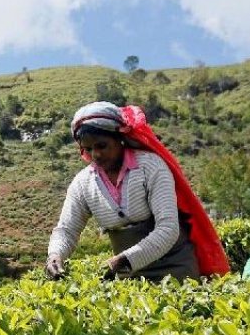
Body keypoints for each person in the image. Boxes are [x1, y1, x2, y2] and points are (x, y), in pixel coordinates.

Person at [45, 101, 229, 282]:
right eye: (88, 149)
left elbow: (168, 228)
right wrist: (55, 255)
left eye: (102, 146)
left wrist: (125, 259)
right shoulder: (83, 184)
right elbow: (67, 230)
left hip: (175, 268)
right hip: (129, 274)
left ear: (120, 139)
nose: (95, 155)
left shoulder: (150, 166)